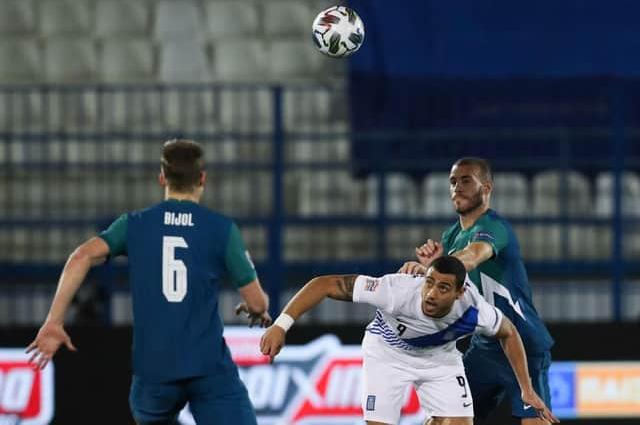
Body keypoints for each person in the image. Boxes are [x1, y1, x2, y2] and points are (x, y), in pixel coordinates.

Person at [26, 139, 271, 425]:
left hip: (154, 373)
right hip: (208, 367)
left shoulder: (135, 224)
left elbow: (80, 257)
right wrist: (257, 308)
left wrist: (54, 321)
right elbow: (257, 301)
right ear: (202, 178)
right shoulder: (221, 229)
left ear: (162, 178)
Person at [261, 256, 559, 425]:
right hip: (387, 354)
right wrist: (281, 325)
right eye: (429, 282)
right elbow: (324, 284)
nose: (431, 293)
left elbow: (509, 333)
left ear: (458, 293)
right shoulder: (396, 290)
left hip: (440, 359)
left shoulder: (474, 309)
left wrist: (527, 389)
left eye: (443, 288)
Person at [400, 157, 555, 425]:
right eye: (452, 182)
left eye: (465, 180)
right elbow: (452, 291)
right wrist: (434, 271)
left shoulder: (493, 227)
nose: (457, 187)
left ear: (487, 187)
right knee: (442, 418)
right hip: (485, 345)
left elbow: (472, 257)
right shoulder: (450, 236)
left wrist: (433, 269)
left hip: (525, 346)